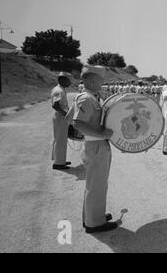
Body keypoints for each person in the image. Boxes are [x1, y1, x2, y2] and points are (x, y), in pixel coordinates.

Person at [72, 65, 118, 233]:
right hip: (96, 146)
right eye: (101, 80)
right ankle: (95, 223)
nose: (103, 82)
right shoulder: (86, 98)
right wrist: (103, 134)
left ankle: (93, 217)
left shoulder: (92, 97)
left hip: (98, 145)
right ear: (91, 80)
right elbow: (77, 123)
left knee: (96, 184)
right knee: (96, 185)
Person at [51, 72, 72, 170]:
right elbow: (55, 105)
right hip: (60, 118)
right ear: (62, 80)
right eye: (68, 80)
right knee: (60, 140)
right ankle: (58, 163)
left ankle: (60, 160)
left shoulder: (61, 89)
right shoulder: (59, 90)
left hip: (61, 118)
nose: (70, 82)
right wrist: (66, 115)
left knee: (61, 140)